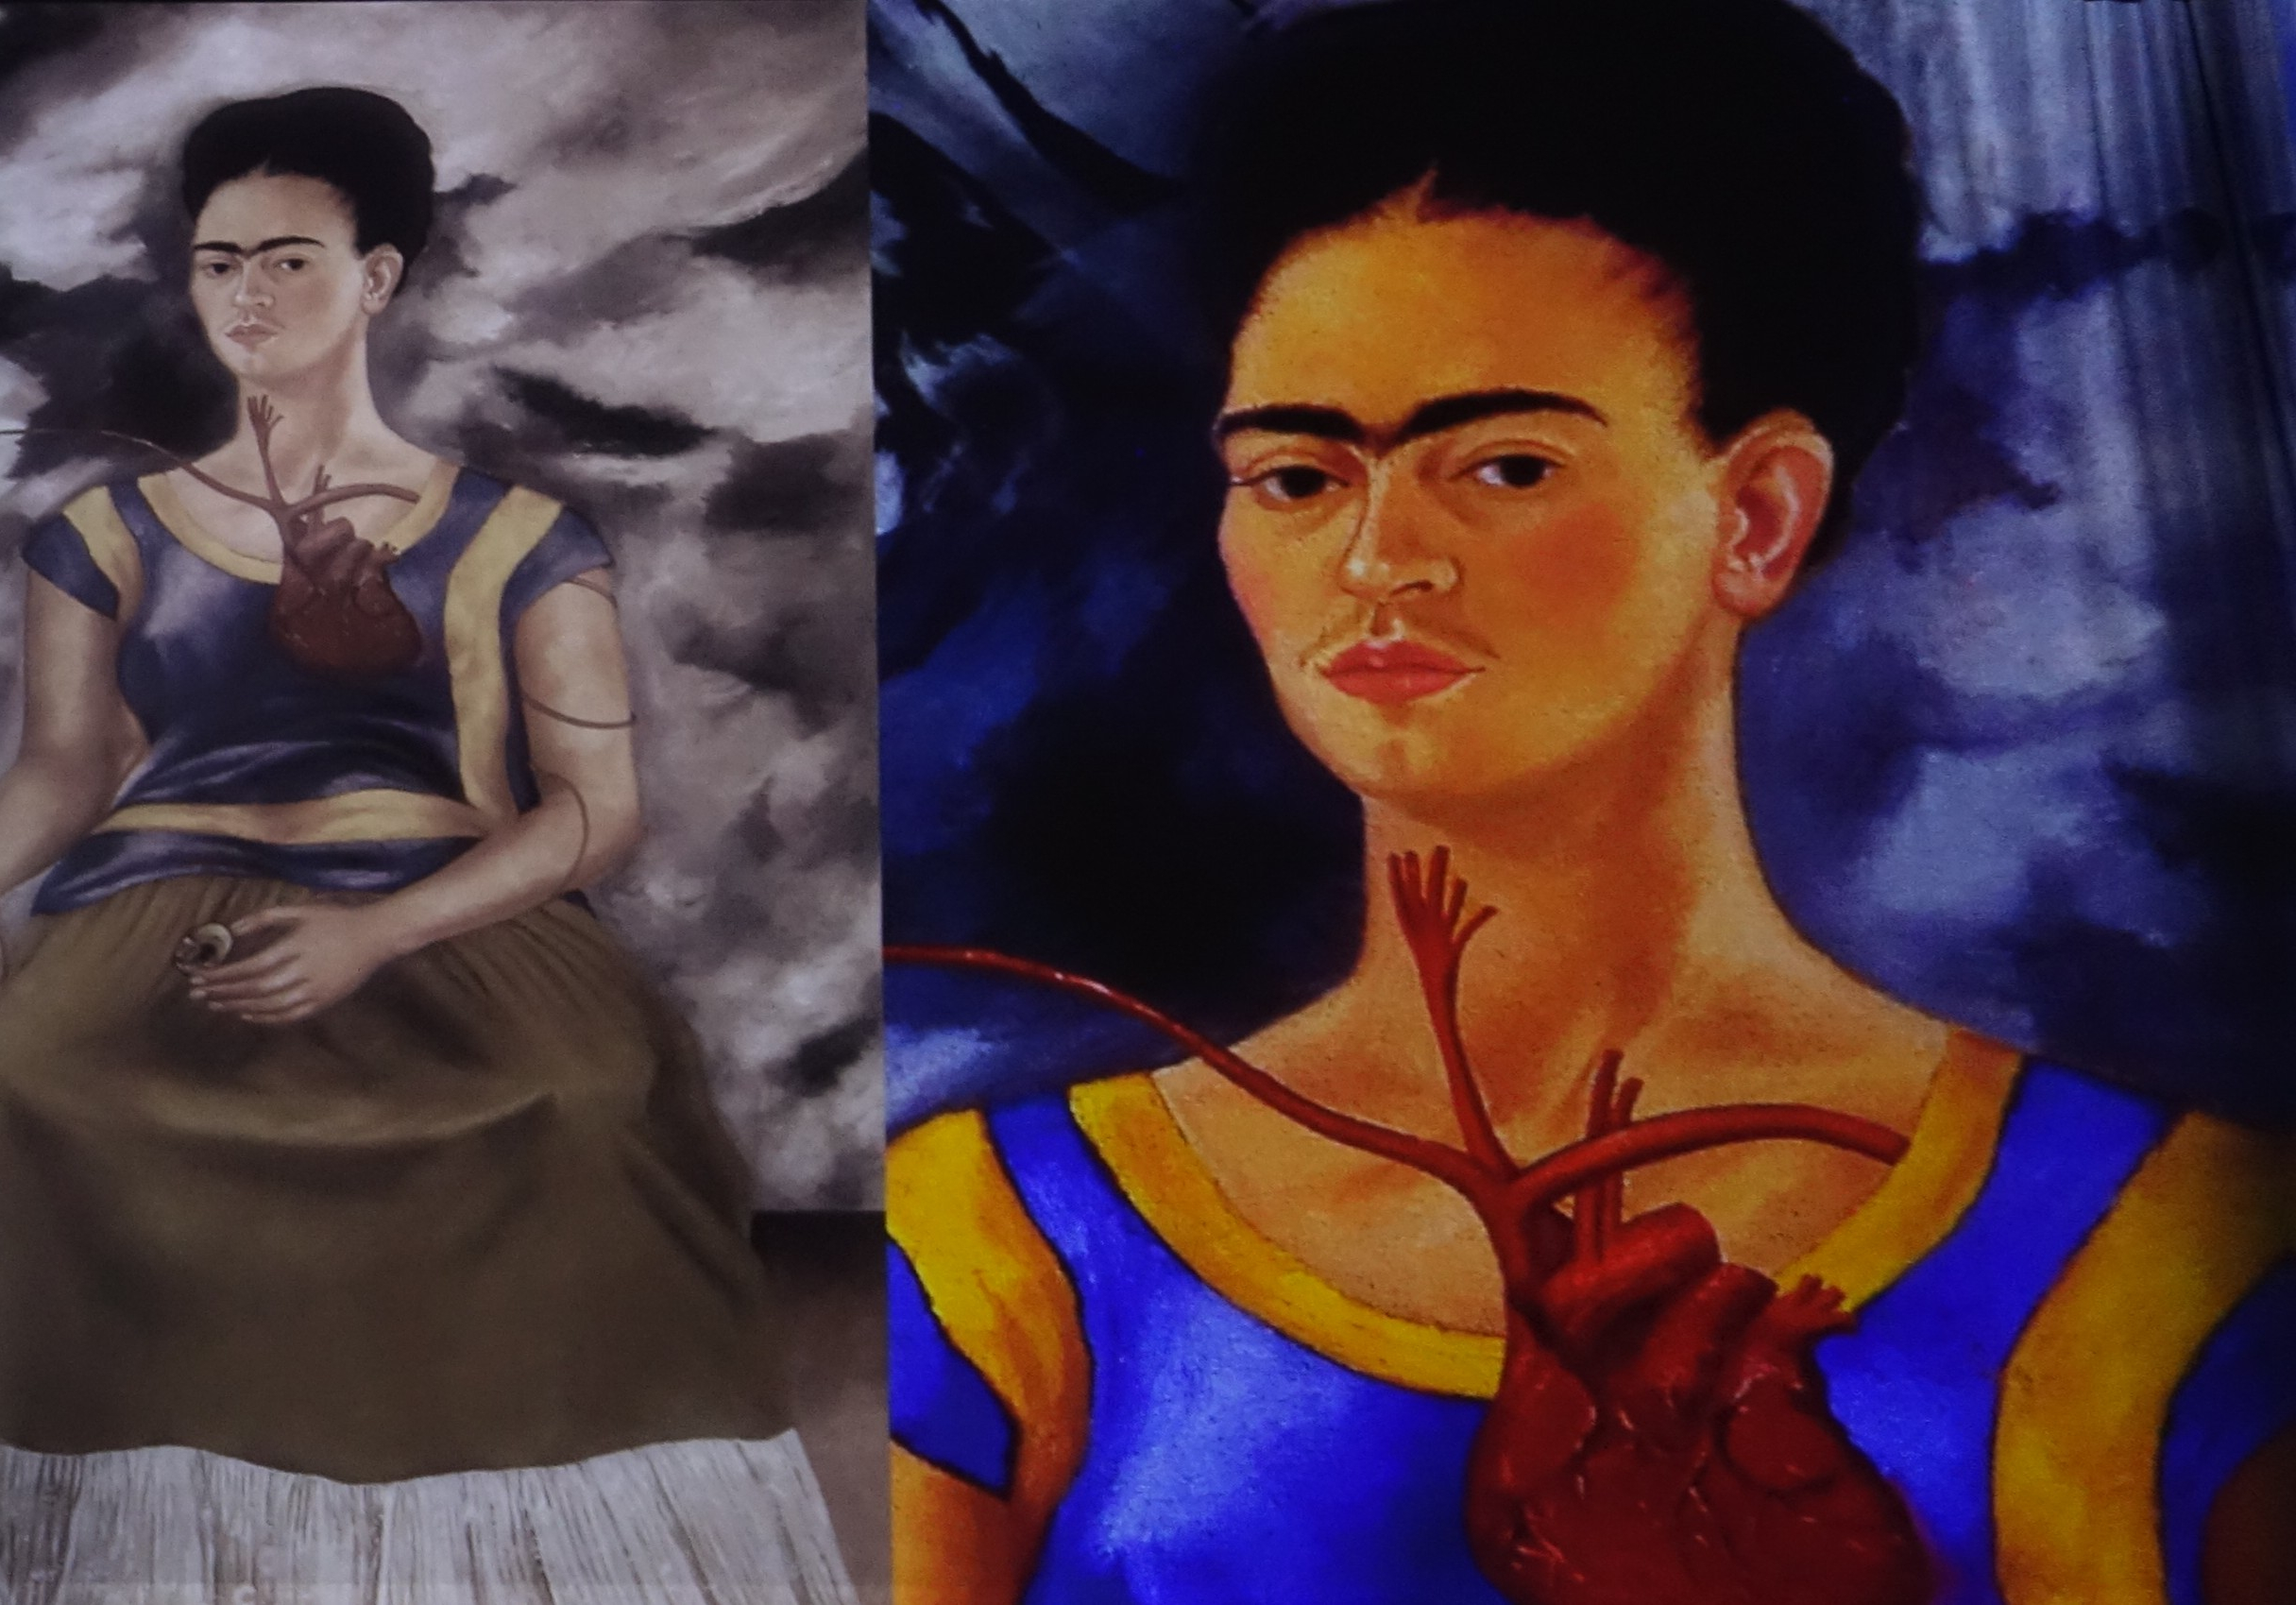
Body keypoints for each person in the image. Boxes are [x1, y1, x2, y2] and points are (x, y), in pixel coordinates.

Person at [881, 1, 2295, 1600]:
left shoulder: (2171, 1260)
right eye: (1298, 476)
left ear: (1755, 516)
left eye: (1503, 467)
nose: (1376, 558)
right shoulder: (989, 1257)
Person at [0, 87, 857, 1603]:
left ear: (377, 277)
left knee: (569, 1101)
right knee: (26, 1096)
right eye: (218, 263)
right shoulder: (102, 535)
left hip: (451, 915)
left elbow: (593, 812)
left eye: (287, 260)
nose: (245, 296)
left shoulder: (520, 537)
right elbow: (66, 768)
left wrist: (372, 933)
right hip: (154, 923)